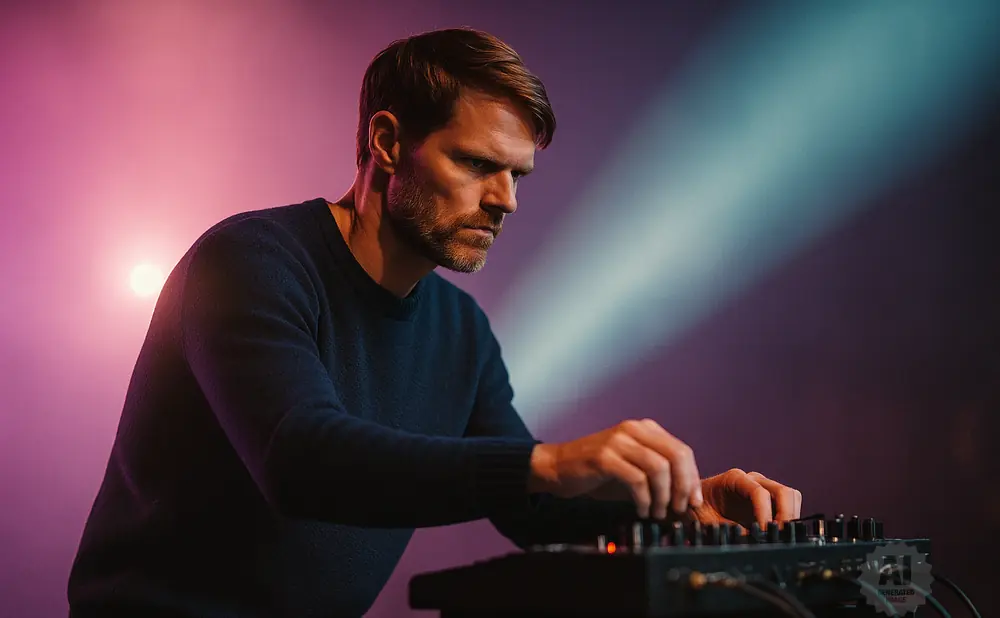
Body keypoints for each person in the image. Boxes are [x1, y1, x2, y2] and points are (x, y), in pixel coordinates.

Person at [67, 27, 802, 617]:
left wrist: (680, 505)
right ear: (388, 143)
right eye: (479, 164)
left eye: (517, 175)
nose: (506, 200)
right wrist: (550, 461)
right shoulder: (249, 261)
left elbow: (533, 511)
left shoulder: (461, 331)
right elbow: (300, 460)